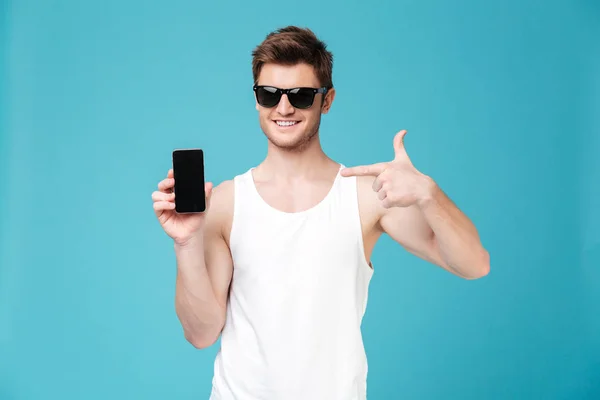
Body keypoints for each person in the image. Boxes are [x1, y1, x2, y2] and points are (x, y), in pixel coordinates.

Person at [152, 26, 490, 400]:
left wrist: (428, 193)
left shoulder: (366, 197)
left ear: (326, 101)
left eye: (300, 95)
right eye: (269, 94)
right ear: (256, 100)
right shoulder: (226, 204)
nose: (283, 108)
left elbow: (474, 264)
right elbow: (200, 334)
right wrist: (185, 243)